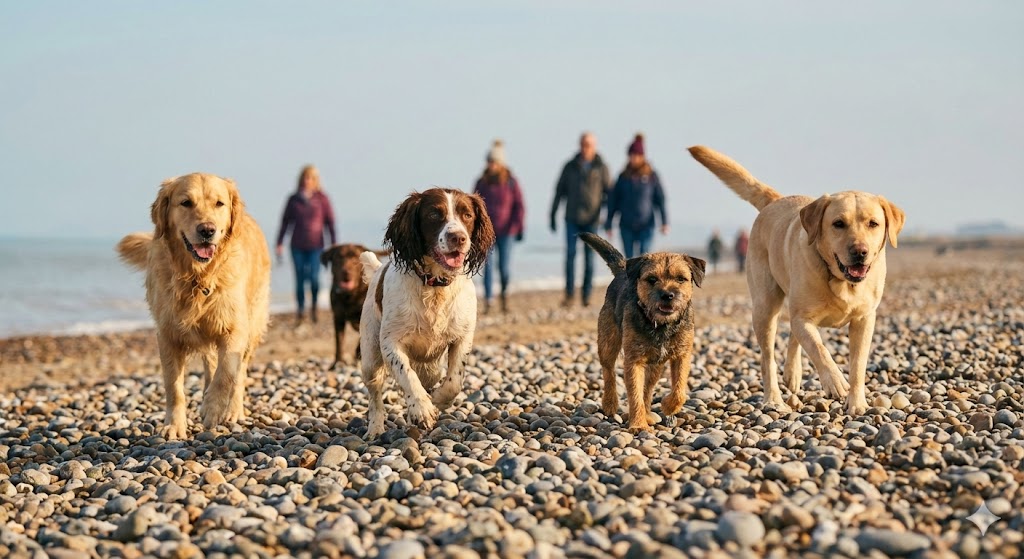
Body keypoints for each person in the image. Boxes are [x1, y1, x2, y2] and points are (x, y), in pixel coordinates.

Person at [551, 132, 612, 308]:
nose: (586, 148)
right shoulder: (569, 166)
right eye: (583, 144)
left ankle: (586, 296)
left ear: (594, 146)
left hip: (592, 220)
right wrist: (553, 214)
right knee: (570, 256)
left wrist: (609, 217)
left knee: (590, 259)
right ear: (579, 145)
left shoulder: (601, 167)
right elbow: (559, 191)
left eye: (589, 145)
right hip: (571, 218)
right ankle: (569, 295)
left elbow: (609, 193)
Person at [276, 165, 337, 325]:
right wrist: (279, 242)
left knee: (315, 279)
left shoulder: (322, 199)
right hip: (297, 245)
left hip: (317, 246)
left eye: (310, 177)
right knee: (300, 280)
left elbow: (330, 223)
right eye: (305, 177)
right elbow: (285, 222)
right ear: (301, 179)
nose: (307, 180)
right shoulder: (293, 199)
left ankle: (315, 307)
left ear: (315, 180)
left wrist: (334, 243)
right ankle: (301, 310)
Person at [474, 139, 525, 314]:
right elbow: (473, 207)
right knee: (486, 267)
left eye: (494, 162)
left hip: (507, 232)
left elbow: (519, 206)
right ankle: (488, 300)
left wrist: (517, 227)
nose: (491, 165)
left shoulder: (511, 182)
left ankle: (504, 296)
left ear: (500, 163)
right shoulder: (481, 182)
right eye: (489, 162)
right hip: (486, 232)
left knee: (504, 268)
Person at [605, 133, 668, 258]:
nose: (634, 158)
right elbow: (613, 201)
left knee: (644, 257)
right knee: (629, 260)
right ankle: (630, 278)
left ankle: (641, 278)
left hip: (646, 224)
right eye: (631, 155)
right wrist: (609, 224)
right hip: (626, 225)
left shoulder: (651, 176)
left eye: (637, 155)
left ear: (642, 156)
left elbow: (660, 199)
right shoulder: (622, 177)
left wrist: (664, 222)